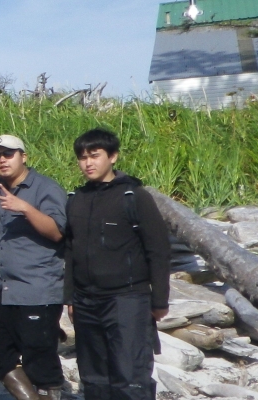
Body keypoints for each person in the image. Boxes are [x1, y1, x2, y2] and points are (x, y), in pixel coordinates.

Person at [63, 129, 171, 400]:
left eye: (95, 156)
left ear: (113, 156)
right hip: (86, 301)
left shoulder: (134, 197)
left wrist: (159, 301)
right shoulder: (76, 199)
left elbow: (158, 250)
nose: (88, 163)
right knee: (93, 377)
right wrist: (70, 298)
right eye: (82, 157)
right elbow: (70, 251)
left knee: (130, 376)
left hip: (127, 298)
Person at [0, 135, 69, 400]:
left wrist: (24, 208)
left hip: (38, 288)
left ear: (24, 156)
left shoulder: (45, 188)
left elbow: (58, 232)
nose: (2, 160)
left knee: (39, 358)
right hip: (7, 288)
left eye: (8, 154)